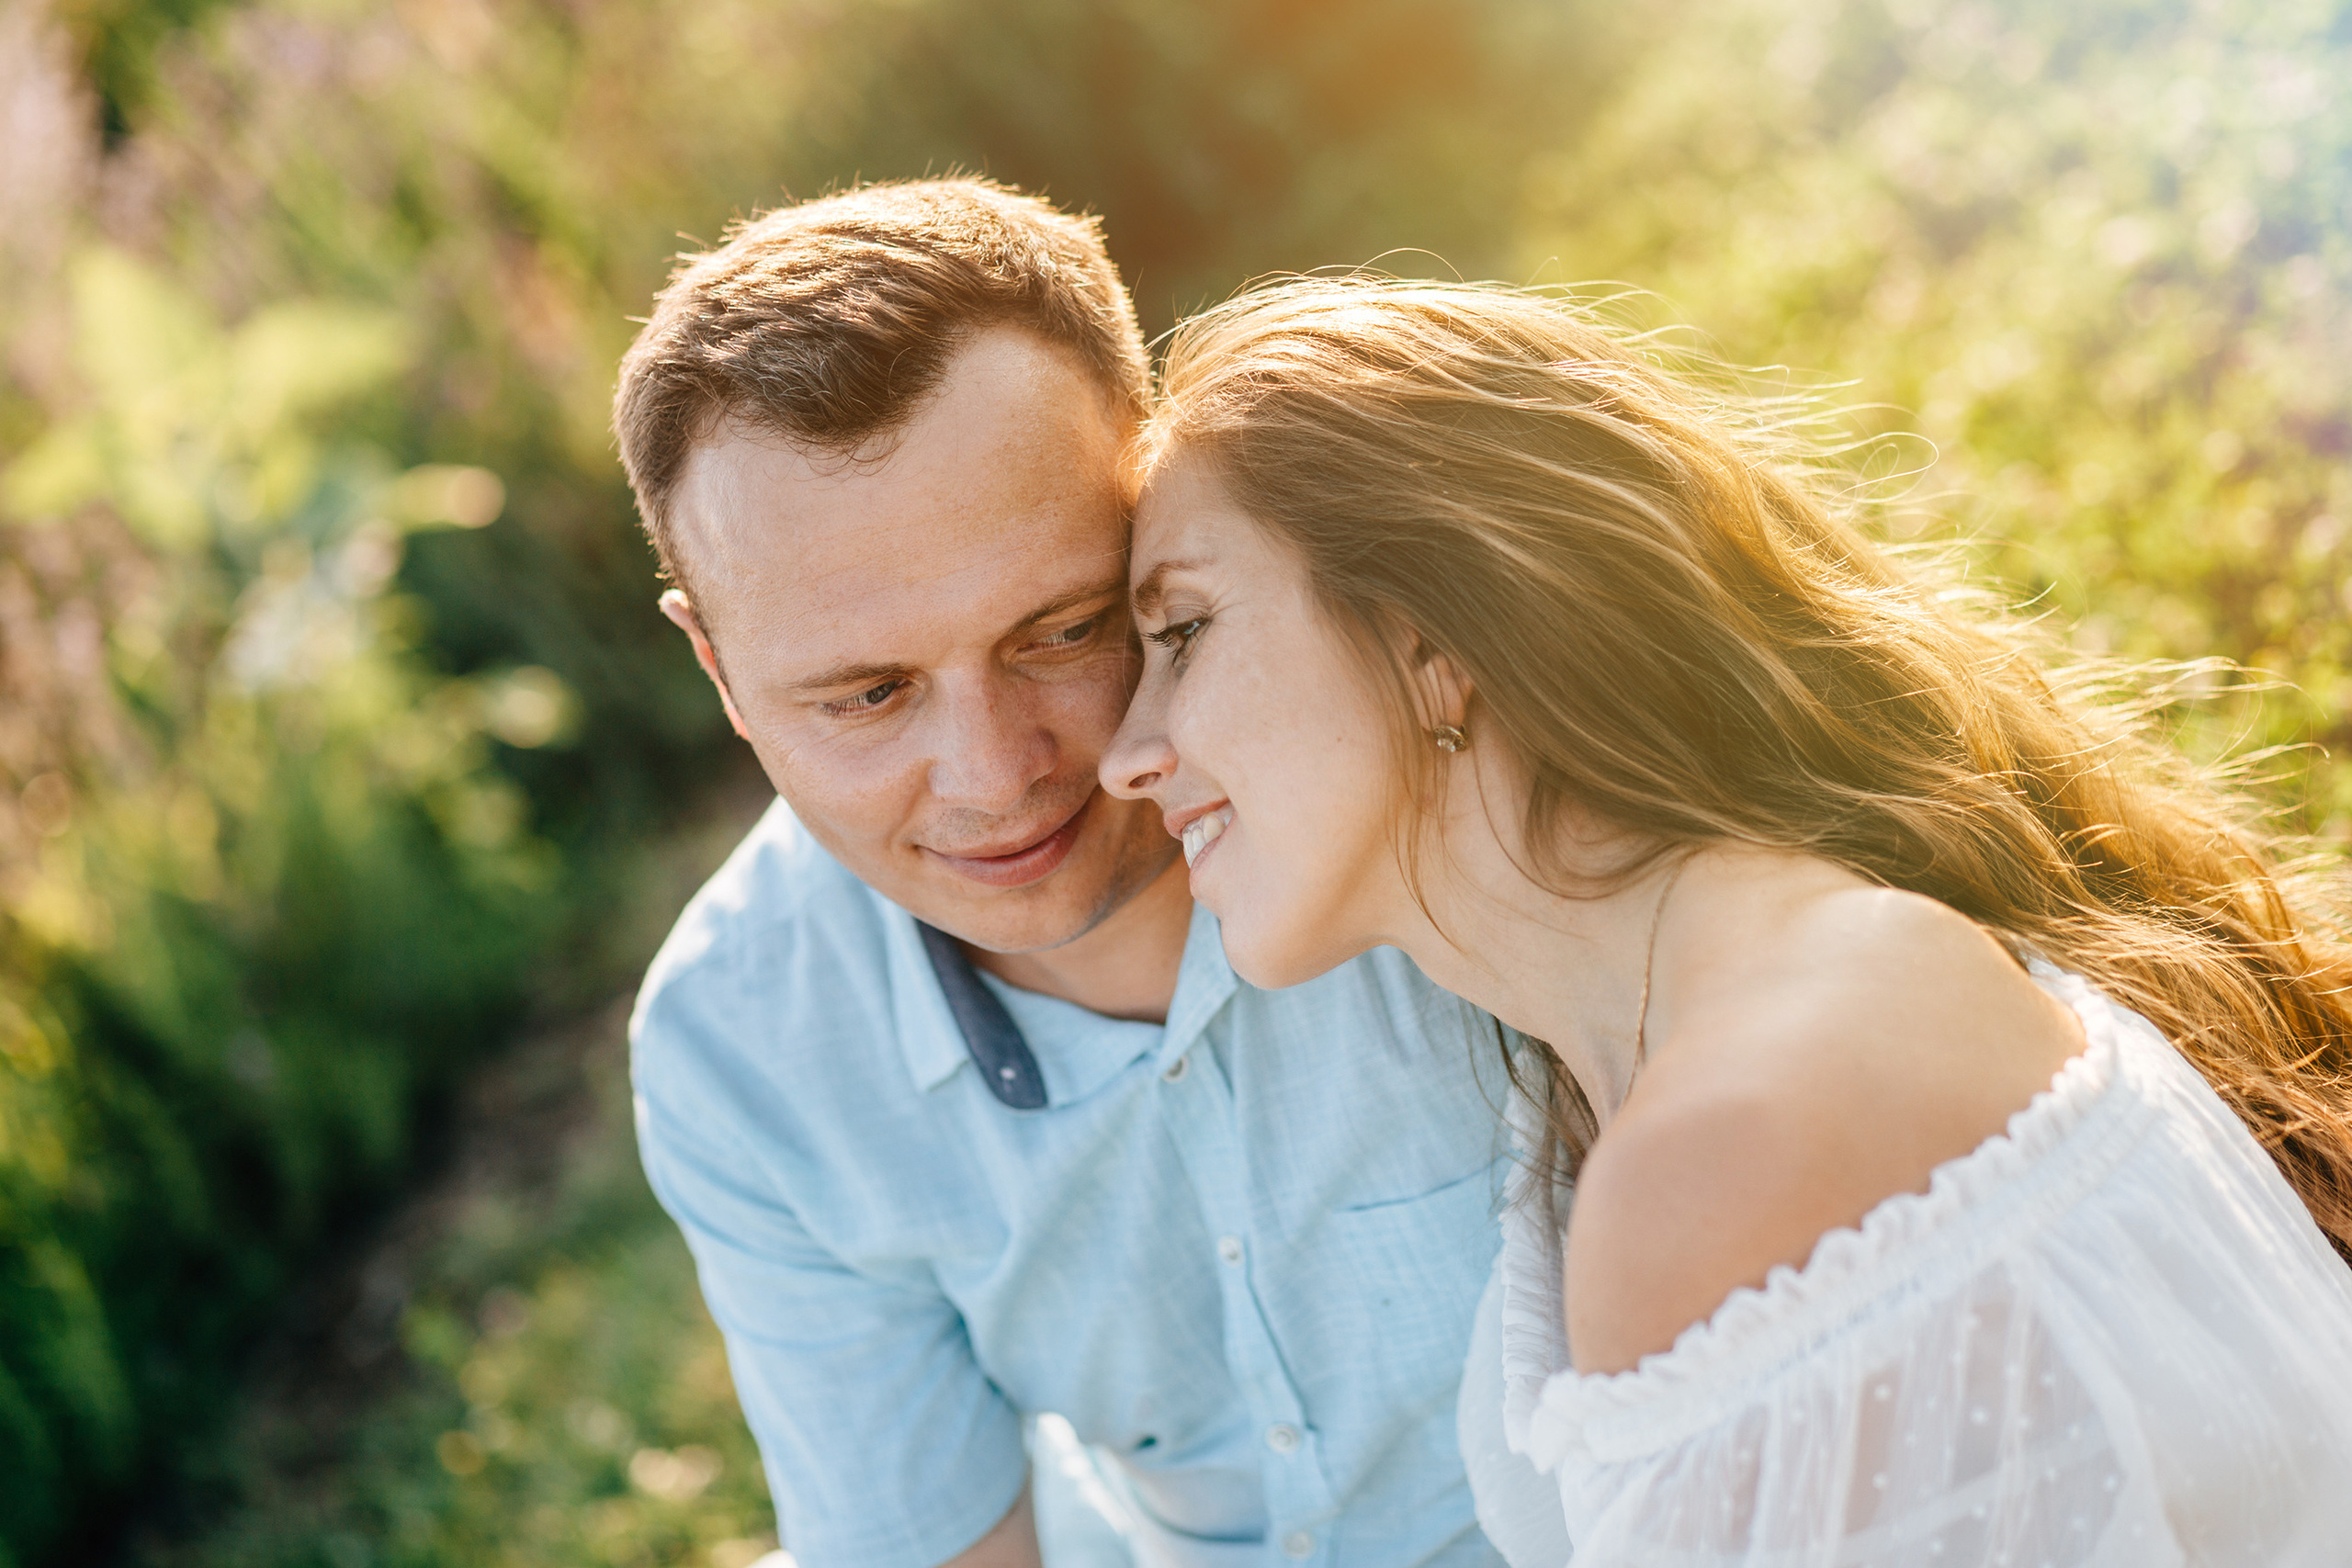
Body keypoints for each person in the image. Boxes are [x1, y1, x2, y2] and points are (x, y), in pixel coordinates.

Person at [1101, 276, 2352, 1566]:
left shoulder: (1736, 1143)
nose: (1124, 757)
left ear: (1430, 639)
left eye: (1184, 631)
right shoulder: (1634, 1056)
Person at [614, 181, 1531, 1568]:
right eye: (866, 697)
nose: (996, 776)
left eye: (1065, 631)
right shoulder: (738, 1048)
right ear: (718, 672)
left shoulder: (1445, 742)